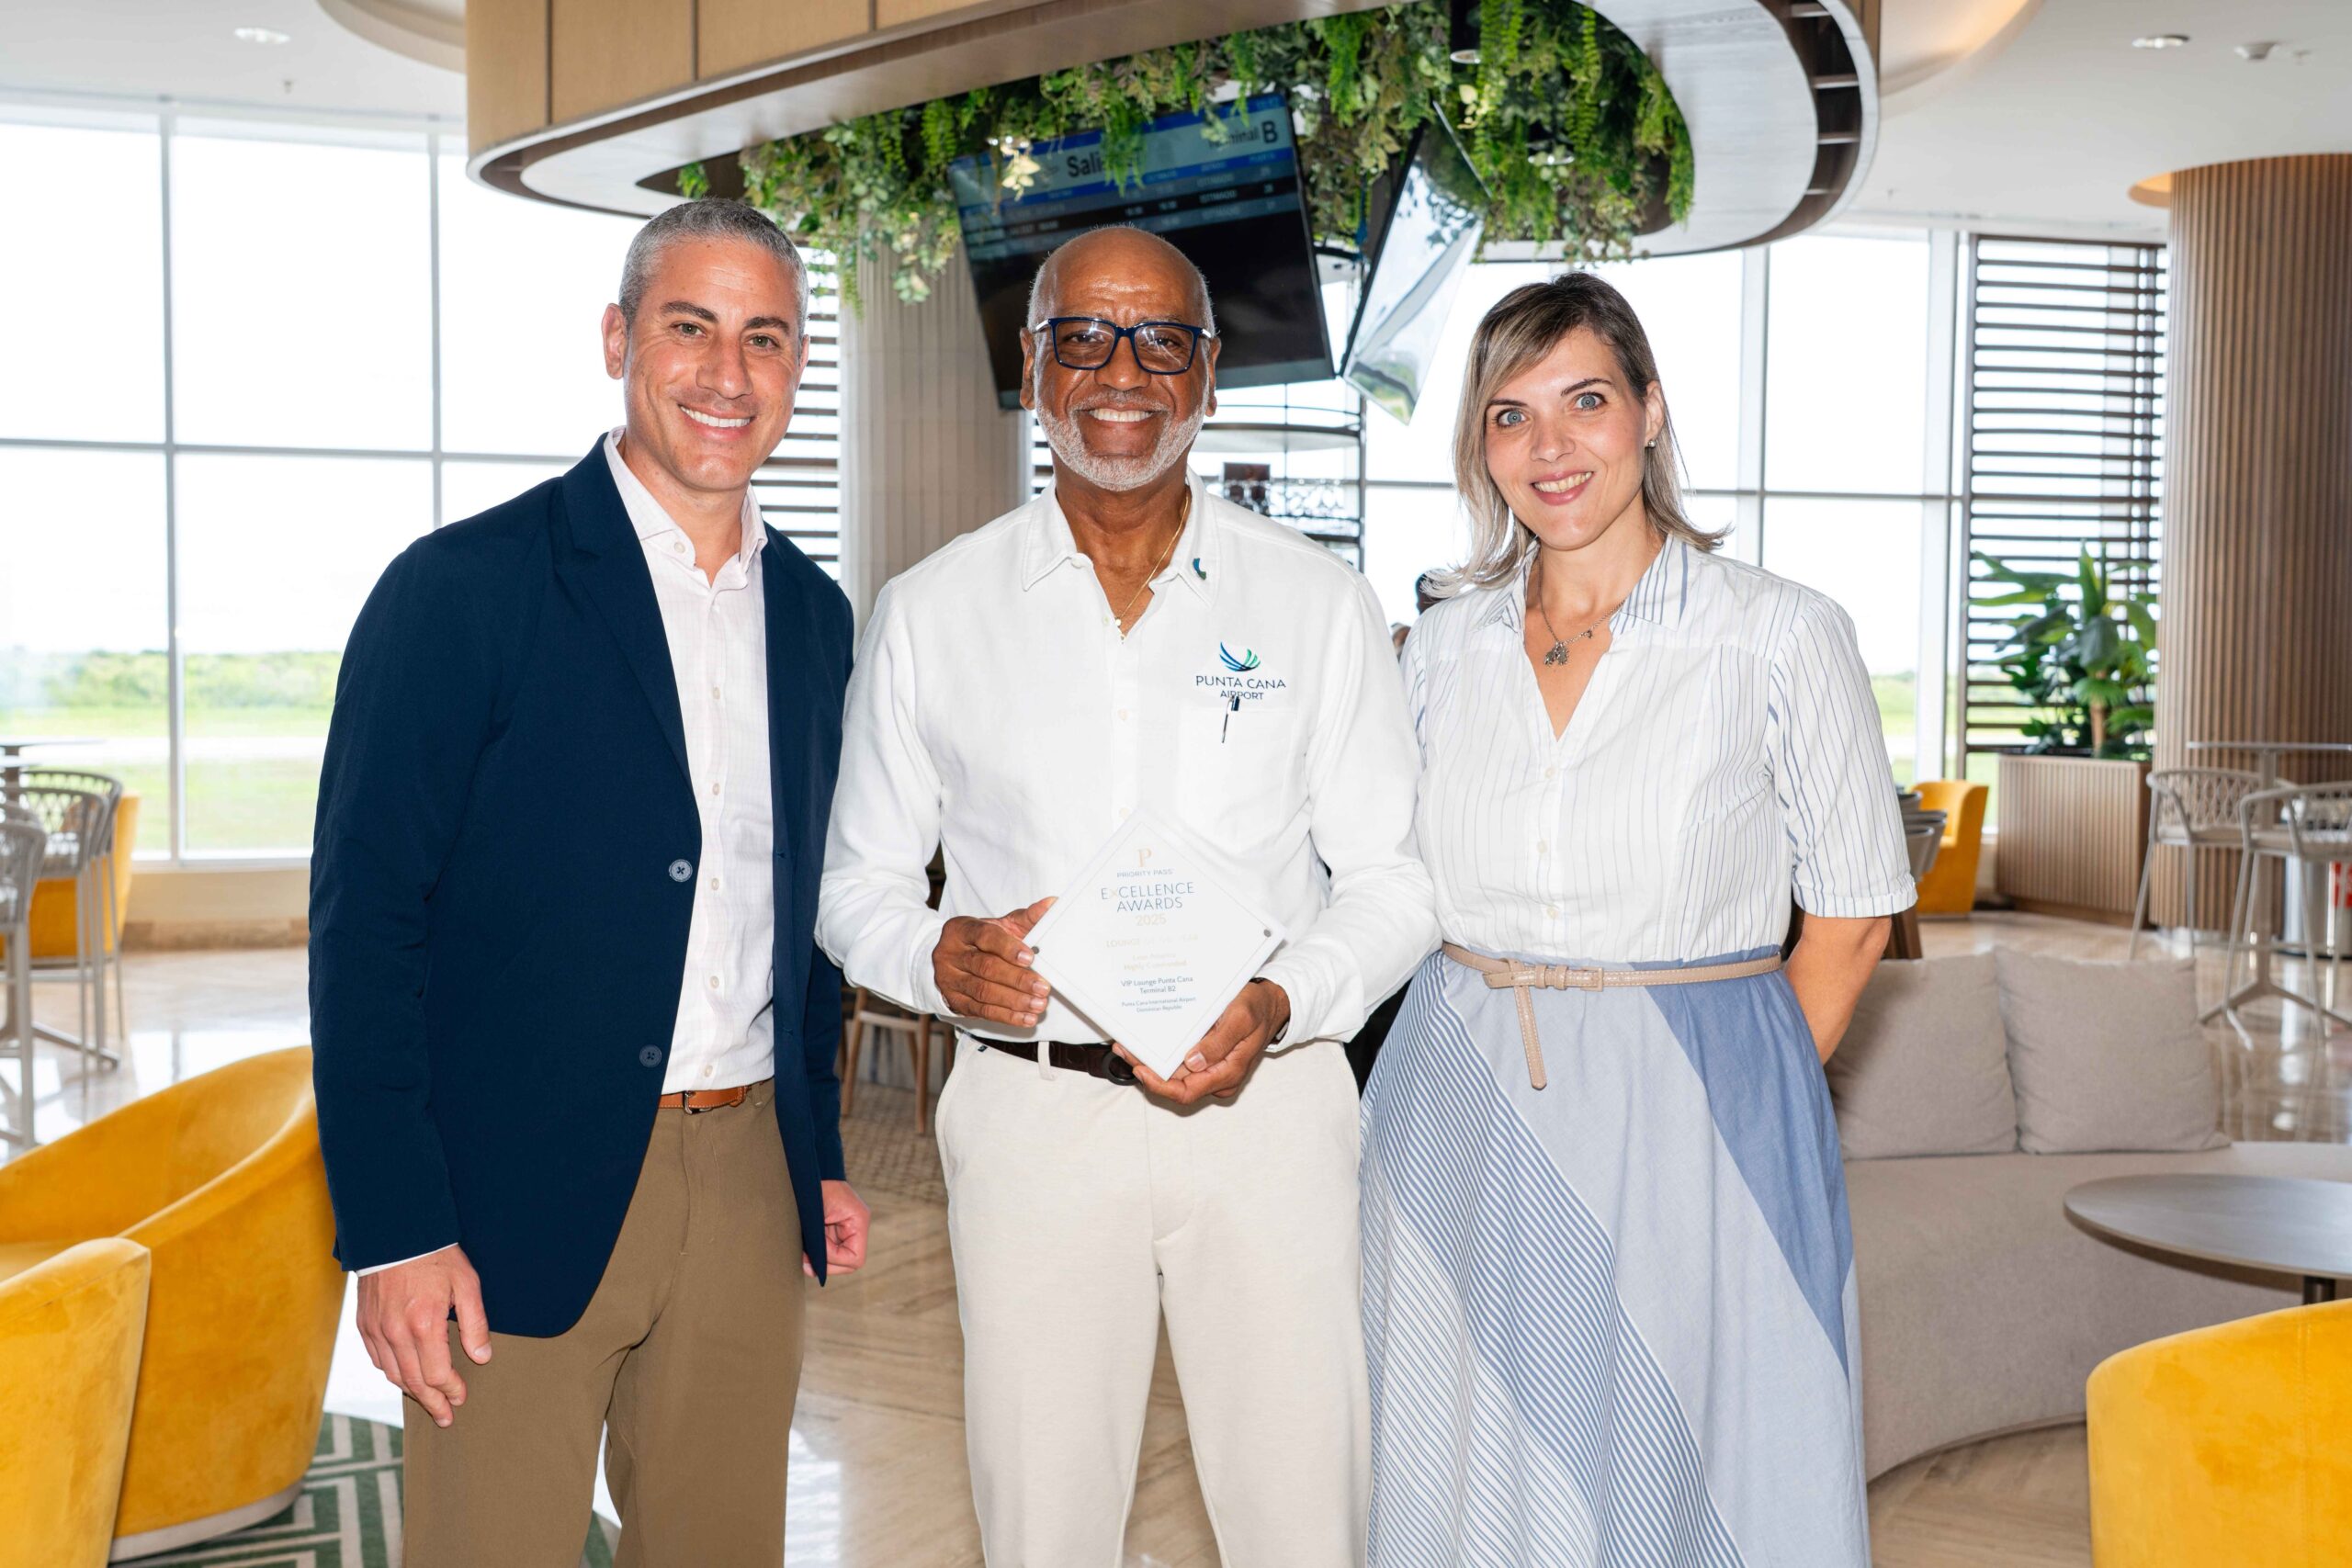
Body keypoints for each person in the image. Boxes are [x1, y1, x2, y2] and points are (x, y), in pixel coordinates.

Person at [817, 224, 1436, 1567]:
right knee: (1042, 1524)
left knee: (1304, 1523)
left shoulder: (1319, 603)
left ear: (1208, 372)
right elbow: (854, 889)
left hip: (1271, 1113)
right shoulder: (931, 612)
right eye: (1083, 337)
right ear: (1031, 366)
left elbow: (1395, 884)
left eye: (1162, 340)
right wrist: (935, 958)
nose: (1122, 371)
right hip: (1032, 1112)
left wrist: (1283, 998)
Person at [310, 197, 869, 1565]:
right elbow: (364, 928)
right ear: (619, 340)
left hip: (747, 1182)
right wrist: (396, 1230)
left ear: (798, 368)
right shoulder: (461, 589)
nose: (727, 373)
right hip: (507, 1193)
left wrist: (817, 1157)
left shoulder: (814, 617)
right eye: (690, 328)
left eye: (765, 338)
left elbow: (801, 918)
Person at [1361, 272, 1913, 1565]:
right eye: (1510, 415)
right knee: (1465, 1457)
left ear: (1651, 412)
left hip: (1691, 1110)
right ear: (1481, 446)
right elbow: (1384, 880)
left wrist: (1725, 1110)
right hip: (1454, 1100)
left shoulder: (1779, 635)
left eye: (1587, 402)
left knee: (1688, 1460)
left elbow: (1851, 920)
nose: (1549, 447)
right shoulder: (1441, 649)